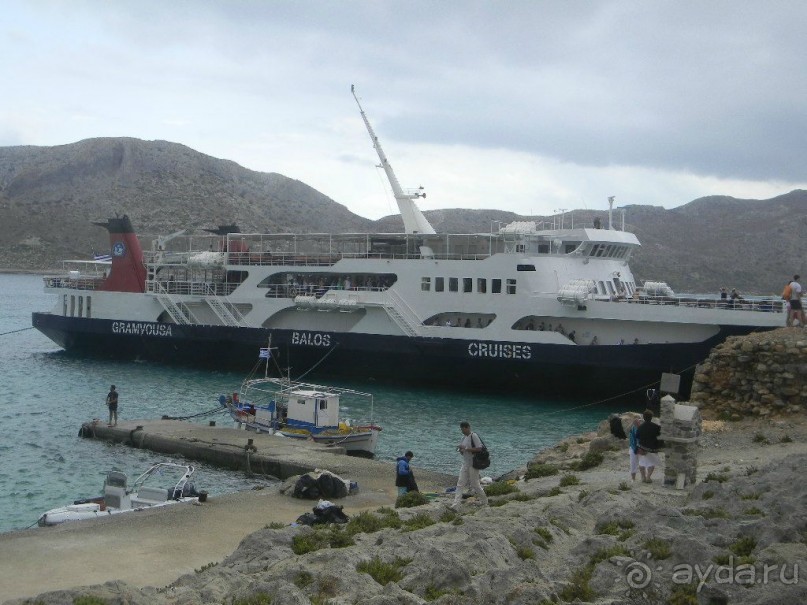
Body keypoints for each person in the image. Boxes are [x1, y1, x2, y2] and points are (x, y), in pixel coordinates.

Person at [450, 421, 488, 508]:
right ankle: (455, 505)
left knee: (475, 484)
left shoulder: (473, 436)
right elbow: (463, 452)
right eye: (461, 429)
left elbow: (479, 448)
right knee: (460, 483)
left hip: (473, 463)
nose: (462, 431)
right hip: (465, 463)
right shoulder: (463, 438)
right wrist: (460, 450)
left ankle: (485, 501)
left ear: (467, 428)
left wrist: (466, 448)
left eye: (463, 429)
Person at [636, 409, 661, 483]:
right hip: (652, 448)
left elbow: (637, 436)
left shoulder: (640, 427)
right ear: (651, 417)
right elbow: (660, 436)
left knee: (641, 462)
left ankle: (643, 477)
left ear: (643, 417)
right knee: (651, 463)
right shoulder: (656, 427)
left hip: (642, 448)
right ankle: (648, 477)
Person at [628, 417, 641, 481]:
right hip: (635, 448)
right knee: (633, 463)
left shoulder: (641, 427)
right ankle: (633, 478)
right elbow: (632, 440)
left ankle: (643, 477)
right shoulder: (633, 428)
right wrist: (636, 449)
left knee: (640, 463)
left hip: (639, 448)